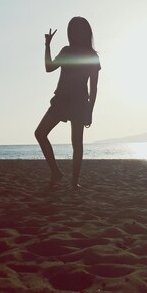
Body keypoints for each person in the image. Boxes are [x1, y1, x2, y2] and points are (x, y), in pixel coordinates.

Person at [34, 16, 101, 188]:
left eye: (78, 29)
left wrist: (90, 111)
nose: (75, 32)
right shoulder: (67, 51)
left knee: (77, 144)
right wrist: (47, 45)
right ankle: (56, 172)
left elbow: (94, 88)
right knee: (40, 133)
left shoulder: (92, 56)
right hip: (61, 100)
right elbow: (49, 67)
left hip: (79, 103)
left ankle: (74, 182)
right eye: (72, 29)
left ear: (85, 32)